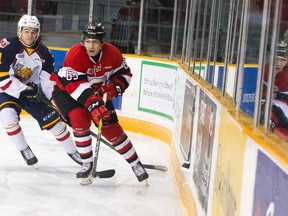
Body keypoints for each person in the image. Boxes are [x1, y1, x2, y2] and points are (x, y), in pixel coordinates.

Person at [50, 22, 149, 182]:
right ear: (83, 41)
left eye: (95, 42)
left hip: (97, 92)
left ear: (102, 43)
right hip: (67, 91)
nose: (91, 45)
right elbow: (76, 86)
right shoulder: (75, 55)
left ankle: (136, 164)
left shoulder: (113, 53)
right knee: (79, 117)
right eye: (88, 41)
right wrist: (93, 104)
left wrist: (112, 88)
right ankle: (87, 164)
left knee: (111, 129)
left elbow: (125, 75)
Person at [0, 14, 82, 166]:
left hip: (31, 92)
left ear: (37, 32)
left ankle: (74, 152)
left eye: (32, 31)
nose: (29, 35)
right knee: (7, 116)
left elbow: (48, 84)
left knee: (56, 123)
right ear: (20, 31)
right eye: (26, 31)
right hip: (6, 90)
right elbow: (2, 78)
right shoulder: (7, 46)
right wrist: (25, 89)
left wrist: (60, 107)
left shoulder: (45, 54)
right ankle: (24, 149)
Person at [262, 41, 288, 140]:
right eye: (276, 59)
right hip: (272, 109)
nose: (278, 63)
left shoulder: (286, 75)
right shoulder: (265, 70)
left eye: (282, 60)